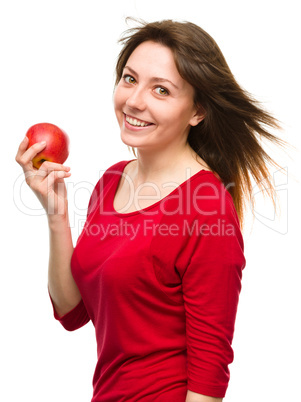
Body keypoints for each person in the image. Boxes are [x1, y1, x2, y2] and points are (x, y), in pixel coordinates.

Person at [16, 19, 284, 402]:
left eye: (161, 90)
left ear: (197, 112)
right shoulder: (111, 181)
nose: (135, 101)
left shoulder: (207, 207)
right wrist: (56, 212)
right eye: (129, 79)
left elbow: (209, 375)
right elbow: (71, 311)